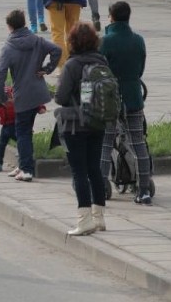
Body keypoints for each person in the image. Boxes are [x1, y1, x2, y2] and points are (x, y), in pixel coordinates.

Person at [53, 22, 110, 235]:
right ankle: (99, 218)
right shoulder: (102, 60)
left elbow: (60, 97)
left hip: (75, 125)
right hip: (98, 122)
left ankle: (83, 220)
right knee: (94, 169)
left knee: (79, 172)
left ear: (72, 42)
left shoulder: (72, 65)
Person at [0, 9, 61, 182]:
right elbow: (57, 50)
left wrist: (1, 98)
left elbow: (0, 74)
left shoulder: (8, 47)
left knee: (21, 132)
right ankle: (23, 164)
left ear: (9, 26)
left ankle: (27, 169)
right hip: (37, 92)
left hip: (21, 95)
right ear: (23, 23)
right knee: (26, 130)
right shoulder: (37, 41)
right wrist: (47, 69)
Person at [99, 1, 151, 205]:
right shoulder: (138, 40)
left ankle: (102, 186)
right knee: (138, 143)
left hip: (111, 99)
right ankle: (144, 189)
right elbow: (140, 71)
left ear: (111, 17)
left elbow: (100, 71)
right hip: (134, 96)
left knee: (106, 143)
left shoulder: (106, 41)